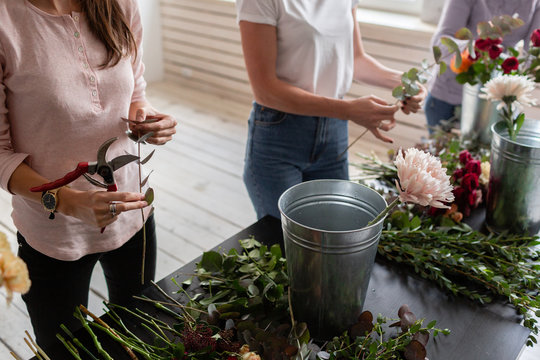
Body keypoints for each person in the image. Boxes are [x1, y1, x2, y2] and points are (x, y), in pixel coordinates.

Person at [0, 0, 177, 354]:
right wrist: (68, 202)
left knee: (144, 337)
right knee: (67, 352)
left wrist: (145, 120)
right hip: (52, 235)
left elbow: (135, 91)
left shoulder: (119, 4)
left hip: (133, 215)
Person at [236, 0, 426, 220]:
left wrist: (405, 82)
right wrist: (348, 110)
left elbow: (355, 58)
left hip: (334, 136)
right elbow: (265, 89)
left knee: (335, 229)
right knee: (282, 242)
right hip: (280, 137)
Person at [425, 0, 540, 132]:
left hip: (495, 100)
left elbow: (531, 54)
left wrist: (515, 77)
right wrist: (476, 51)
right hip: (448, 95)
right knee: (440, 150)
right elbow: (440, 41)